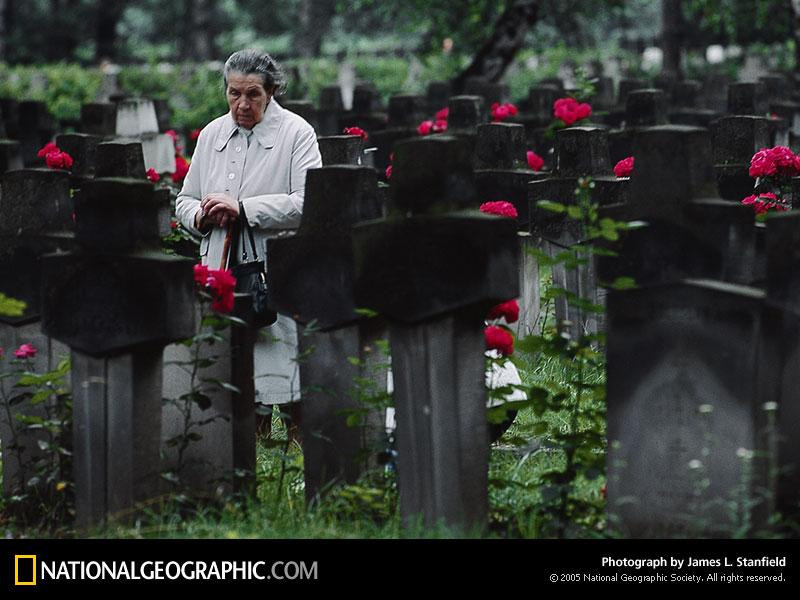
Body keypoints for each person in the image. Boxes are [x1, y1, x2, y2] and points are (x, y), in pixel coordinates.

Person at [175, 49, 322, 439]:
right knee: (236, 368)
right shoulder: (211, 134)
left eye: (252, 94)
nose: (242, 104)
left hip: (277, 269)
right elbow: (184, 199)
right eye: (233, 93)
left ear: (272, 91)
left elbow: (308, 203)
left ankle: (296, 451)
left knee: (288, 367)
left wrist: (243, 208)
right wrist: (202, 215)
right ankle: (247, 450)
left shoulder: (297, 133)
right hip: (221, 269)